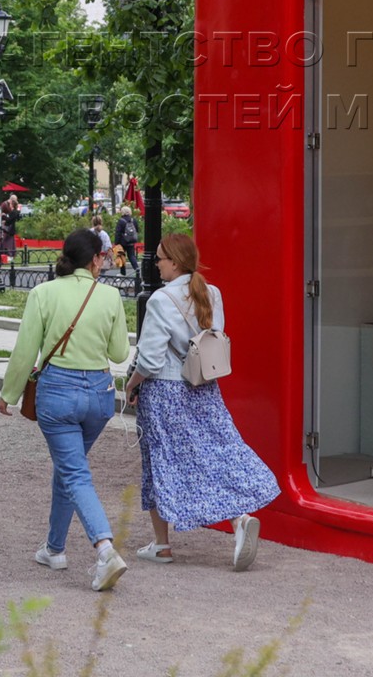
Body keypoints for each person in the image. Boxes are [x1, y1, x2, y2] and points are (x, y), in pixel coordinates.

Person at [123, 233, 278, 570]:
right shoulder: (212, 293)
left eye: (160, 258)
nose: (156, 264)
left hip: (164, 392)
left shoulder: (160, 300)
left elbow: (149, 360)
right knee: (216, 453)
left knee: (160, 461)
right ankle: (238, 519)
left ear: (175, 262)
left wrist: (131, 384)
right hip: (204, 386)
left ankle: (162, 544)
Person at [0, 229, 130, 592]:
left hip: (57, 392)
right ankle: (54, 548)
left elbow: (26, 350)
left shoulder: (43, 293)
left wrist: (9, 393)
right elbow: (119, 353)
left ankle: (104, 549)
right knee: (70, 468)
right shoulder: (110, 295)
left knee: (74, 472)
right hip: (99, 394)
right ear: (95, 259)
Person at [114, 207, 140, 277]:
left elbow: (118, 233)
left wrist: (116, 243)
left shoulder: (121, 221)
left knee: (122, 256)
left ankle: (123, 273)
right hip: (131, 241)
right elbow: (137, 230)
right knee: (131, 256)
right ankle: (137, 269)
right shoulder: (133, 220)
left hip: (122, 242)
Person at [0, 195, 22, 261]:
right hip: (10, 228)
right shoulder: (13, 210)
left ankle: (8, 254)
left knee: (6, 241)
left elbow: (9, 219)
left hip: (8, 228)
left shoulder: (13, 212)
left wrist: (4, 217)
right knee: (10, 242)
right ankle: (10, 254)